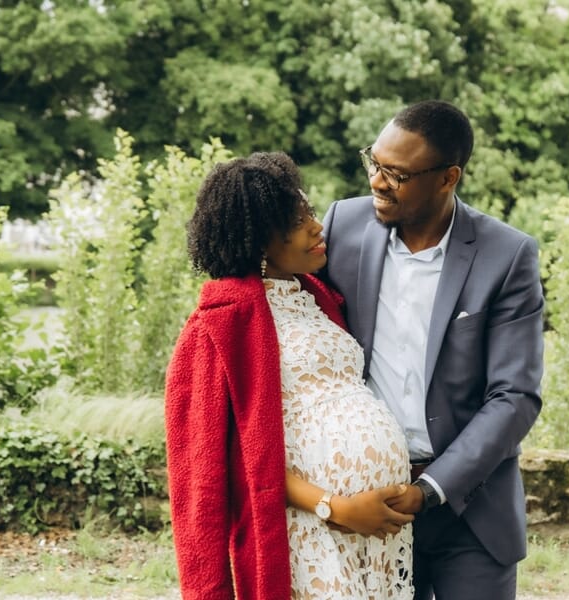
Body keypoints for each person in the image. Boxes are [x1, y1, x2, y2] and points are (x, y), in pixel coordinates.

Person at [164, 151, 416, 600]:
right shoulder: (220, 322)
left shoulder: (318, 297)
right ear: (260, 240)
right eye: (298, 222)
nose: (318, 227)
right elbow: (220, 463)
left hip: (376, 534)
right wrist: (335, 507)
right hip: (308, 529)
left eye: (310, 213)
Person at [320, 100, 545, 600]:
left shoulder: (507, 255)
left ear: (448, 178)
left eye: (397, 174)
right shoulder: (341, 226)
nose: (377, 181)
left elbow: (515, 396)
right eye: (374, 162)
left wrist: (430, 489)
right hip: (366, 502)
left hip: (471, 508)